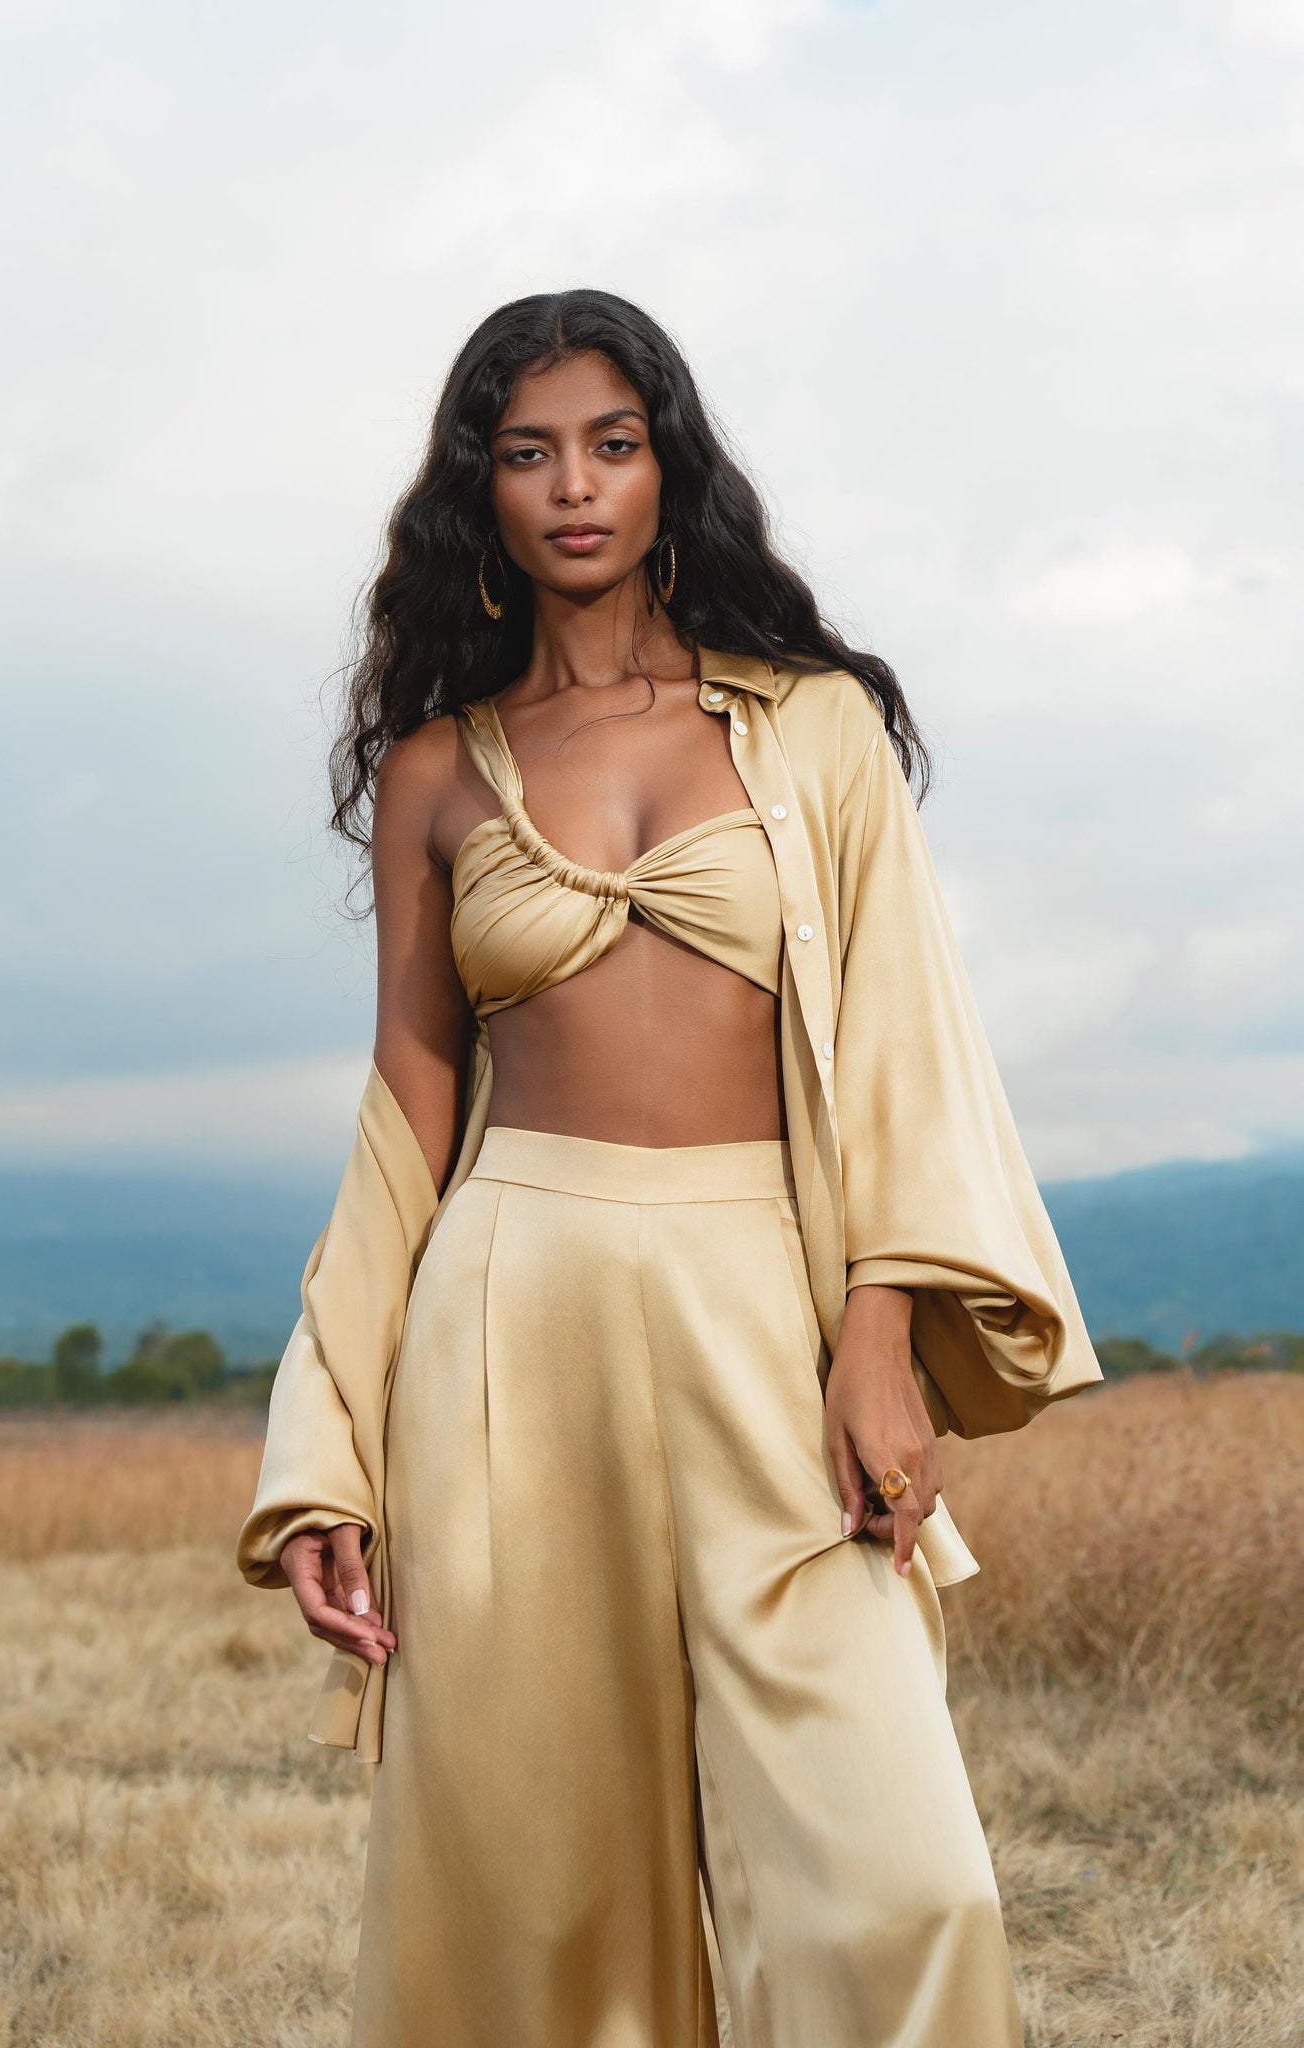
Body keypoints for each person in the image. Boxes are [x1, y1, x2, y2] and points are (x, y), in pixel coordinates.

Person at [237, 288, 1101, 2048]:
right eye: (527, 449)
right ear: (474, 489)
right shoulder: (433, 772)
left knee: (901, 1880)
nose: (573, 485)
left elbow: (901, 1054)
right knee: (534, 1895)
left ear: (666, 469)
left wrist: (876, 1344)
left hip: (763, 1309)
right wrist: (325, 1450)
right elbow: (409, 1112)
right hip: (506, 1318)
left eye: (612, 445)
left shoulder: (810, 729)